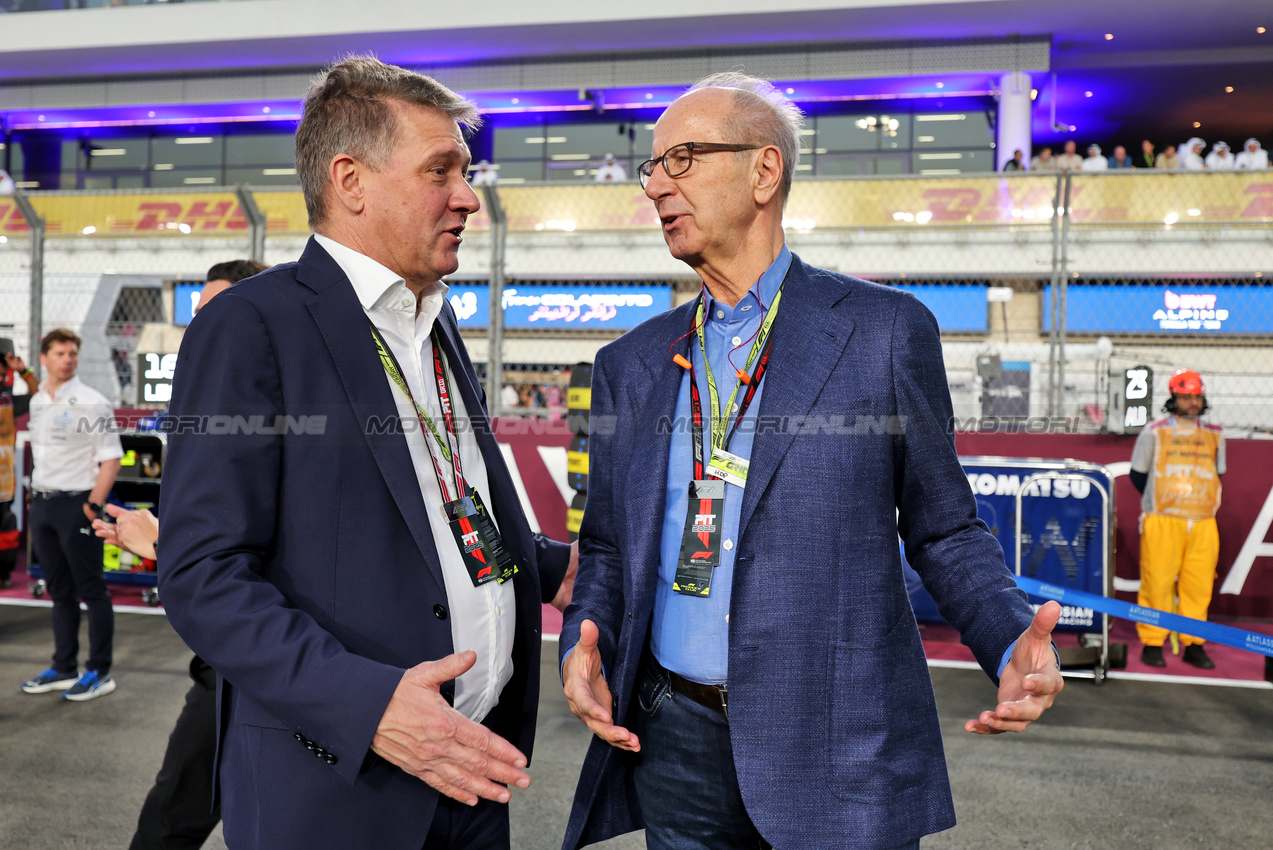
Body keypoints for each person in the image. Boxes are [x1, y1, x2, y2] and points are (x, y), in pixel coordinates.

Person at [559, 72, 1063, 850]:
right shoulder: (629, 363)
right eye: (651, 167)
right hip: (674, 739)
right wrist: (581, 639)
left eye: (683, 158)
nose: (656, 184)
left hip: (839, 740)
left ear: (764, 171)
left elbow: (944, 528)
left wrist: (1007, 636)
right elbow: (602, 545)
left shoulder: (883, 332)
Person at [157, 56, 576, 850]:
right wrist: (369, 706)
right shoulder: (253, 325)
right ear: (351, 180)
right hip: (339, 786)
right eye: (440, 171)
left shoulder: (431, 319)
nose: (466, 197)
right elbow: (201, 573)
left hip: (471, 775)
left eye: (466, 171)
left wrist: (555, 566)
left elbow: (435, 508)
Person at [93, 259, 262, 850]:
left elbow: (260, 556)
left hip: (259, 668)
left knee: (169, 826)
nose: (200, 329)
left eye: (214, 313)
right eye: (197, 317)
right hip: (241, 664)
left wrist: (163, 545)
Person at [19, 328, 123, 701]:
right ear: (44, 358)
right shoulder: (38, 401)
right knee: (59, 591)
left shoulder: (92, 401)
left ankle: (99, 671)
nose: (68, 359)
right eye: (60, 353)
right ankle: (64, 667)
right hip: (43, 505)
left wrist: (91, 506)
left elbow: (112, 458)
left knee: (92, 590)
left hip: (78, 505)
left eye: (72, 354)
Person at [1128, 369, 1224, 670]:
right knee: (1157, 581)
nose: (1192, 402)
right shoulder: (1154, 431)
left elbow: (1217, 474)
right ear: (1174, 398)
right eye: (1186, 396)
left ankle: (1194, 643)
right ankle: (1153, 642)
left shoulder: (1215, 434)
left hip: (1204, 521)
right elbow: (1137, 474)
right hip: (1163, 519)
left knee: (1198, 584)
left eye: (1197, 396)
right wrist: (1161, 501)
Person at [2, 344, 43, 590]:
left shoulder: (8, 401)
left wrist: (23, 371)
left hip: (4, 481)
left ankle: (4, 573)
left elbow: (38, 395)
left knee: (5, 526)